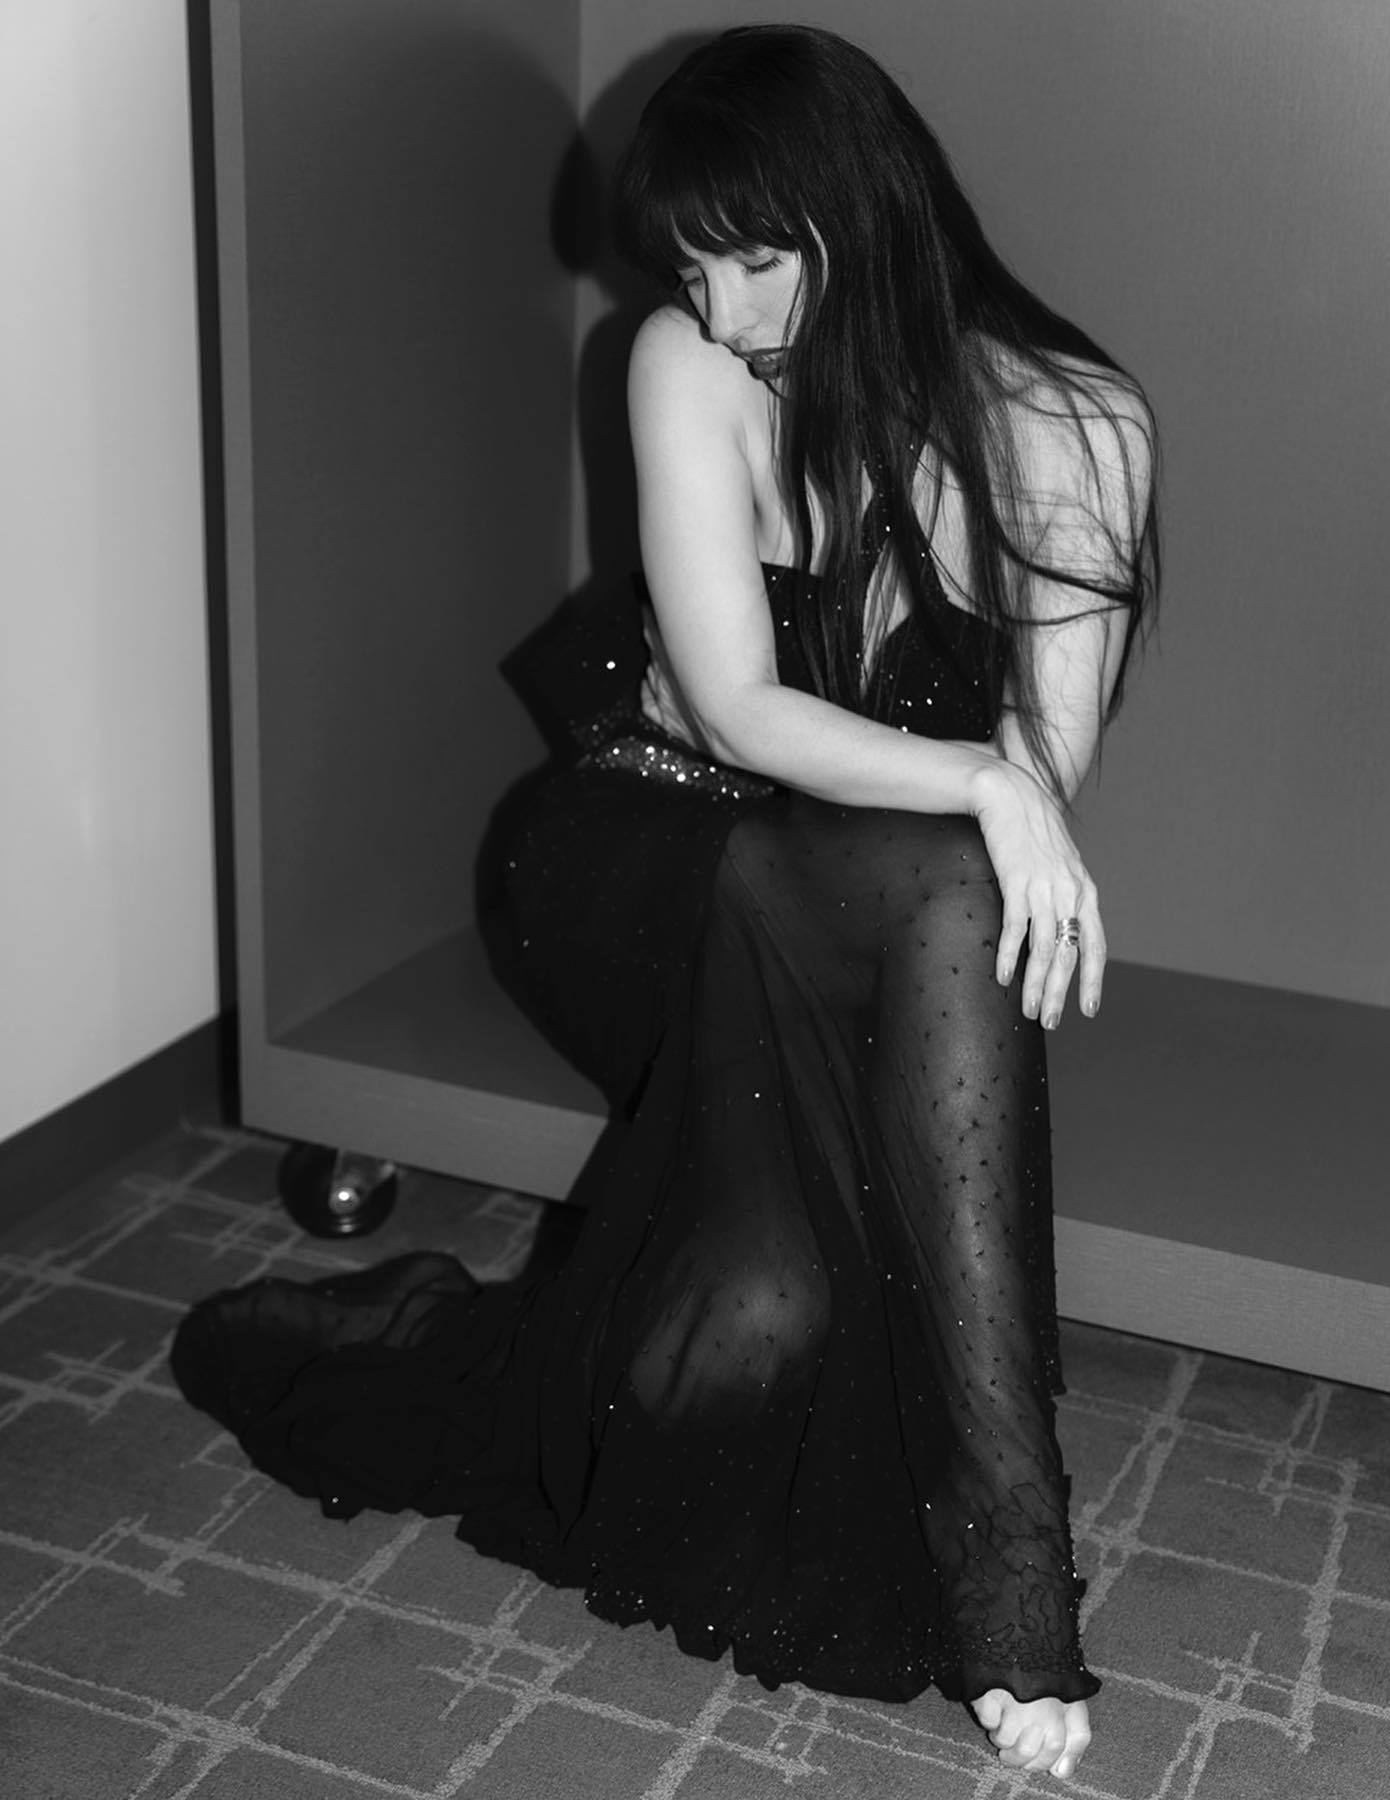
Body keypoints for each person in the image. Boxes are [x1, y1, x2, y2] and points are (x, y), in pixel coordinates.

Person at [172, 24, 1157, 1784]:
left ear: (871, 211)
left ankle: (705, 1374)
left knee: (763, 1316)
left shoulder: (1073, 424)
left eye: (757, 258)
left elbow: (1039, 786)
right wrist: (986, 779)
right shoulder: (686, 363)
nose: (725, 309)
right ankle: (1015, 1561)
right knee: (936, 864)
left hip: (869, 922)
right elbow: (735, 711)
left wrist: (1005, 788)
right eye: (695, 268)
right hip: (634, 854)